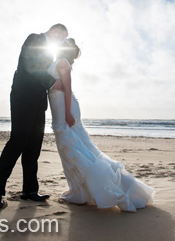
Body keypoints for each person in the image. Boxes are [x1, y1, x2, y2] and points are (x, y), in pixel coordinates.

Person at [48, 39, 154, 211]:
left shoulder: (62, 63)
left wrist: (67, 113)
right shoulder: (57, 62)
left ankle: (89, 191)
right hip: (60, 106)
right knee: (71, 148)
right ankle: (79, 191)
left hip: (65, 108)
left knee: (74, 148)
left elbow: (67, 89)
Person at [0, 24, 68, 208]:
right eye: (62, 37)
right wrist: (52, 83)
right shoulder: (34, 39)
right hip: (23, 99)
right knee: (17, 142)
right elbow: (31, 64)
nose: (61, 41)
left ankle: (29, 190)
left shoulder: (50, 52)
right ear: (55, 31)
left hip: (39, 103)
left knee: (34, 147)